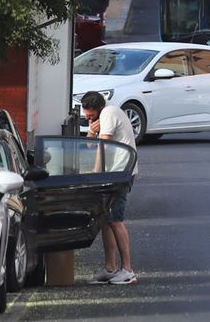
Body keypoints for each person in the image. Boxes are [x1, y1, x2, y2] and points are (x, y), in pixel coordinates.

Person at [82, 91, 138, 285]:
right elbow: (91, 146)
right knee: (106, 220)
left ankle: (128, 270)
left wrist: (96, 175)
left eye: (90, 116)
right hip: (113, 174)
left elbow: (102, 148)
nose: (88, 118)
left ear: (98, 110)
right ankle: (110, 268)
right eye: (86, 116)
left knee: (115, 220)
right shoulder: (102, 117)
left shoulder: (109, 114)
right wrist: (91, 130)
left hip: (120, 174)